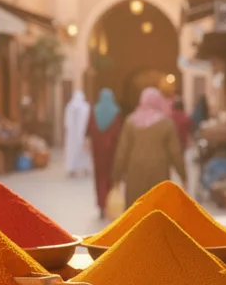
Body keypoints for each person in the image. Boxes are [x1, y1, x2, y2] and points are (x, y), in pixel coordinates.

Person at [113, 87, 186, 206]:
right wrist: (183, 176)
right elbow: (175, 153)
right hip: (159, 174)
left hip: (135, 174)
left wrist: (116, 176)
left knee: (136, 211)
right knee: (157, 210)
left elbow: (122, 152)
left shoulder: (130, 122)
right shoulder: (166, 124)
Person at [87, 88, 123, 218]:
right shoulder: (116, 112)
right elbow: (118, 133)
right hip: (112, 152)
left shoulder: (94, 111)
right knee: (110, 176)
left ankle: (101, 204)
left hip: (97, 151)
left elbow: (89, 129)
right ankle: (109, 203)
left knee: (99, 176)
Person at [62, 89, 91, 177]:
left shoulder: (69, 107)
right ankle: (85, 168)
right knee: (83, 152)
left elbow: (66, 122)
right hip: (82, 134)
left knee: (73, 152)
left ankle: (72, 169)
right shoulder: (86, 107)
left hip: (72, 136)